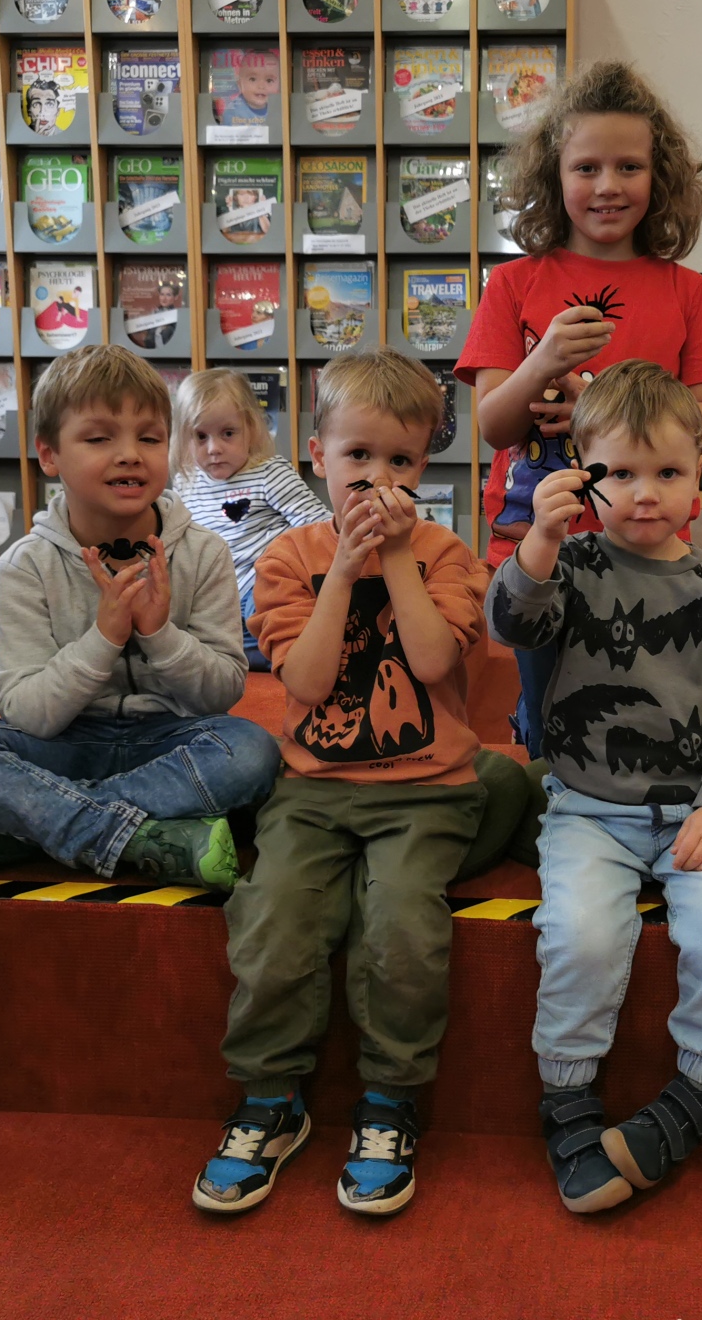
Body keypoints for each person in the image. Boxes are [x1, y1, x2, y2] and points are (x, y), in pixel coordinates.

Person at [194, 349, 490, 1218]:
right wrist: (346, 572)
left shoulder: (443, 552)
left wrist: (396, 560)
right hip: (316, 789)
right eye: (358, 456)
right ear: (315, 454)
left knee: (401, 928)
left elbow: (435, 660)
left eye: (400, 461)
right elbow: (311, 683)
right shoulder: (288, 557)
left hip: (427, 788)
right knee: (274, 916)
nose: (377, 478)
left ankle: (390, 1100)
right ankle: (268, 1097)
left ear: (423, 469)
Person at [485, 362, 702, 1213]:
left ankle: (698, 1094)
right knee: (576, 936)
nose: (646, 494)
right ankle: (567, 1096)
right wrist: (536, 541)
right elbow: (513, 624)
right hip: (586, 808)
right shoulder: (568, 566)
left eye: (669, 474)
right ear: (583, 474)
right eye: (620, 474)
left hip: (697, 809)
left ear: (697, 481)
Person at [0, 345, 280, 884]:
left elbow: (221, 694)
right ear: (50, 454)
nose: (129, 454)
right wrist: (103, 639)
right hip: (61, 744)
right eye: (100, 438)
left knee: (251, 751)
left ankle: (27, 828)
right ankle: (142, 835)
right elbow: (27, 714)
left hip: (169, 740)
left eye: (149, 438)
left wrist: (159, 634)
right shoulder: (25, 564)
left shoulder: (203, 553)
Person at [456, 59, 702, 757]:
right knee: (548, 702)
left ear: (660, 176)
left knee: (645, 692)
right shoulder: (516, 284)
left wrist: (601, 401)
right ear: (553, 177)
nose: (607, 186)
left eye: (628, 167)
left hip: (646, 536)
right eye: (586, 168)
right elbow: (495, 424)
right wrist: (543, 361)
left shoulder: (687, 291)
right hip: (538, 538)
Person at [170, 367, 329, 671]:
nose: (214, 448)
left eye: (228, 433)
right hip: (218, 597)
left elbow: (316, 525)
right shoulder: (186, 483)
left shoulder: (268, 472)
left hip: (265, 586)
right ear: (184, 438)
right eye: (200, 436)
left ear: (251, 429)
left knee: (271, 606)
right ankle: (263, 653)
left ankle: (289, 648)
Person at [214, 48, 279, 127]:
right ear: (240, 84)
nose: (261, 86)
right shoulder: (233, 111)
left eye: (269, 80)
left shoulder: (278, 109)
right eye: (253, 79)